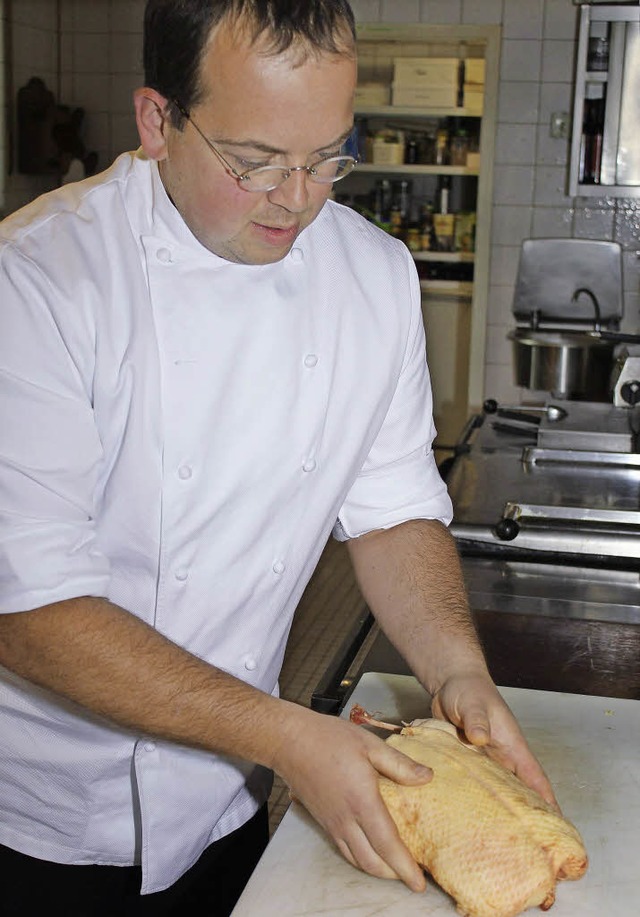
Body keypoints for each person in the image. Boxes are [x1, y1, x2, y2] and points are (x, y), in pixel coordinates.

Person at [0, 1, 555, 914]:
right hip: (45, 820)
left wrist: (459, 669)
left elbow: (395, 513)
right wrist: (291, 736)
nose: (300, 197)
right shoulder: (42, 282)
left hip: (230, 796)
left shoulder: (372, 275)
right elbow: (30, 608)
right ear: (157, 122)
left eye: (329, 155)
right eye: (256, 162)